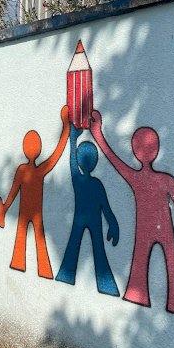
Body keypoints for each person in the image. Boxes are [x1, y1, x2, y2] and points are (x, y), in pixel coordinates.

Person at [90, 110, 174, 319]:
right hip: (162, 227)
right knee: (171, 261)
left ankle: (140, 295)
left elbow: (114, 160)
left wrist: (98, 135)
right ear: (156, 150)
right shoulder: (166, 180)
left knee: (144, 262)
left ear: (135, 151)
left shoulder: (136, 178)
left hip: (146, 228)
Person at [0, 105, 70, 279]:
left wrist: (5, 207)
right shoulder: (38, 170)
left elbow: (13, 192)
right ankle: (43, 269)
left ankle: (21, 263)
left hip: (27, 212)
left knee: (25, 238)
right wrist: (66, 127)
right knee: (37, 239)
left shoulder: (23, 170)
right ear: (37, 149)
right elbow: (57, 153)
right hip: (34, 213)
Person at [55, 124, 120, 296]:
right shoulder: (97, 184)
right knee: (99, 250)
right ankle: (107, 285)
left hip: (79, 219)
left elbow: (72, 164)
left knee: (73, 246)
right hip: (94, 220)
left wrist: (73, 139)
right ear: (95, 162)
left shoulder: (78, 180)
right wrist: (113, 224)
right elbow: (106, 209)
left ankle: (66, 275)